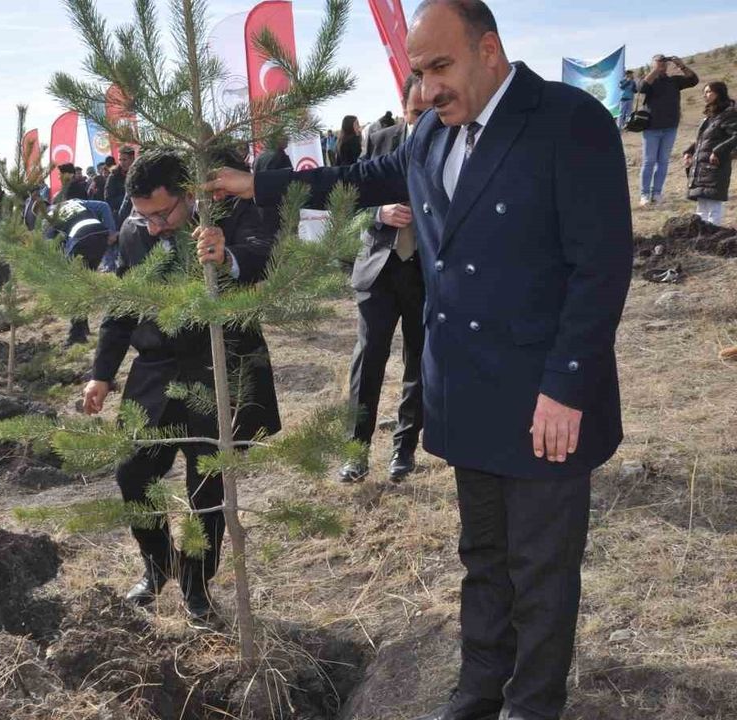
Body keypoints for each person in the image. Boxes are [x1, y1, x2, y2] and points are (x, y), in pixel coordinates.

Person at [206, 2, 632, 717]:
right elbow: (358, 178)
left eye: (440, 67)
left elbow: (602, 268)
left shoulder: (566, 122)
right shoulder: (432, 134)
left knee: (542, 571)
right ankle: (477, 691)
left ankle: (531, 705)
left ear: (489, 50)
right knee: (483, 560)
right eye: (418, 72)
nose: (428, 88)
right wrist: (256, 185)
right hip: (468, 391)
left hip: (542, 398)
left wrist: (567, 386)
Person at [84, 147, 280, 622]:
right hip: (156, 371)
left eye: (160, 214)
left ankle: (196, 586)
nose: (151, 225)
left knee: (206, 490)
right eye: (142, 215)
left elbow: (265, 255)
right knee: (134, 476)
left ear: (188, 194)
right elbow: (124, 307)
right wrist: (102, 374)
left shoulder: (233, 212)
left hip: (220, 366)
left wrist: (227, 257)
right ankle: (158, 567)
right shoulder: (135, 232)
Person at [340, 73, 433, 484]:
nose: (425, 120)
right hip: (378, 269)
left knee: (419, 359)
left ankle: (404, 448)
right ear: (403, 108)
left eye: (431, 112)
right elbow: (352, 201)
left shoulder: (454, 144)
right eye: (417, 113)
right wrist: (379, 213)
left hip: (425, 274)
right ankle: (356, 453)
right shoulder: (380, 141)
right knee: (369, 359)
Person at [44, 197, 118, 345]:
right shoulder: (74, 202)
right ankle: (83, 326)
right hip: (99, 234)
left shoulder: (48, 216)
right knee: (83, 284)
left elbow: (51, 246)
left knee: (74, 288)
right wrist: (111, 231)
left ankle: (76, 335)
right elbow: (104, 205)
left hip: (81, 239)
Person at [638, 53, 699, 205]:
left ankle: (657, 193)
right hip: (651, 128)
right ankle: (644, 195)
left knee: (663, 161)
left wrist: (681, 65)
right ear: (652, 65)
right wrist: (655, 70)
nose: (662, 65)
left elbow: (693, 80)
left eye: (664, 63)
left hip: (670, 127)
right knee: (649, 161)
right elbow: (641, 88)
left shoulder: (674, 81)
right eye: (658, 62)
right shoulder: (649, 80)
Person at [683, 81, 737, 226]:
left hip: (716, 165)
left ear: (718, 93)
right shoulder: (710, 116)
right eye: (704, 92)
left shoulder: (729, 113)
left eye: (709, 92)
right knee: (702, 207)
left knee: (713, 206)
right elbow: (704, 140)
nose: (705, 95)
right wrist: (689, 151)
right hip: (702, 167)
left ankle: (714, 238)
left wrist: (718, 151)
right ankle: (702, 240)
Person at [104, 146, 136, 226]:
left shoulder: (140, 173)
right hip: (122, 217)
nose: (122, 163)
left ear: (132, 159)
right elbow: (108, 199)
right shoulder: (114, 175)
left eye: (124, 160)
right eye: (120, 160)